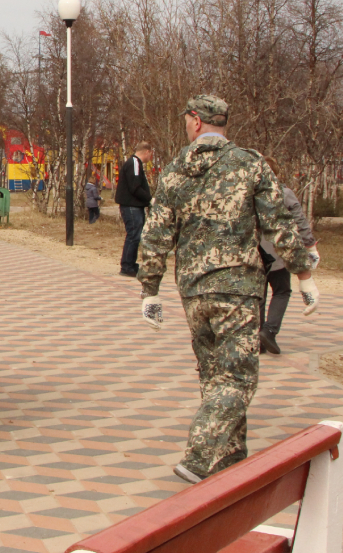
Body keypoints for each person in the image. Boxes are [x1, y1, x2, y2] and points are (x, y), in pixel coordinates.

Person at [137, 95, 317, 484]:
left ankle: (231, 456)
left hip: (194, 290)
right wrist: (304, 274)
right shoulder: (250, 164)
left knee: (215, 374)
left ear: (197, 121)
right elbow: (279, 224)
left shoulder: (174, 170)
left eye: (187, 118)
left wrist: (150, 290)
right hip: (238, 289)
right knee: (238, 378)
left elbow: (155, 235)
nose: (186, 124)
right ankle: (201, 457)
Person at [258, 156, 319, 355]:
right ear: (276, 174)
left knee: (258, 295)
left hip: (254, 254)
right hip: (279, 253)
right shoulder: (285, 193)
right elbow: (300, 222)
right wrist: (310, 246)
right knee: (282, 291)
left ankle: (257, 335)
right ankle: (269, 330)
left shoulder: (248, 194)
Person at [116, 141, 153, 277]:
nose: (151, 157)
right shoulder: (135, 163)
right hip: (131, 205)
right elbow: (135, 186)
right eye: (151, 153)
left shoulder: (133, 163)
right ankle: (127, 266)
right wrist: (149, 199)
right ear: (147, 151)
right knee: (134, 235)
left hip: (132, 205)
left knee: (134, 235)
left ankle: (130, 264)